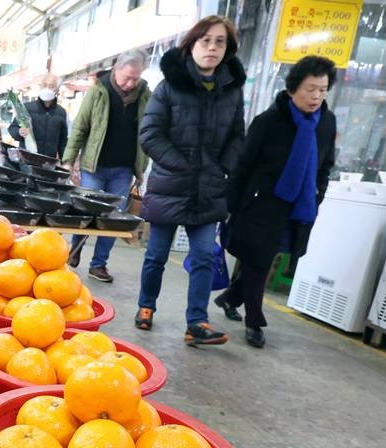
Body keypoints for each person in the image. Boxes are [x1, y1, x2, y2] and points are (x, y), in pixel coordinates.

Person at [135, 15, 246, 346]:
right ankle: (145, 306)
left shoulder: (231, 90)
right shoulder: (169, 86)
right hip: (171, 185)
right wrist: (181, 165)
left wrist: (222, 168)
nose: (212, 47)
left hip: (209, 189)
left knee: (204, 258)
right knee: (156, 256)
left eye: (220, 42)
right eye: (205, 40)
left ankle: (196, 322)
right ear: (191, 44)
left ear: (228, 49)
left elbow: (237, 136)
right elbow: (150, 134)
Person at [215, 55, 338, 348]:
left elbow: (326, 164)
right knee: (258, 260)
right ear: (293, 88)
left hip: (299, 206)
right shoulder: (268, 122)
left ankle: (230, 297)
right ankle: (254, 322)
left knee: (268, 258)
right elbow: (243, 165)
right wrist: (230, 205)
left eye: (322, 90)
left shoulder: (326, 122)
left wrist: (318, 194)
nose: (317, 96)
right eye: (311, 89)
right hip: (261, 205)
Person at [62, 50, 152, 283]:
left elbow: (148, 133)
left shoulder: (145, 95)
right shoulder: (99, 91)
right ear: (116, 70)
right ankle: (75, 250)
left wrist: (141, 169)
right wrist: (68, 160)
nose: (130, 83)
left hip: (123, 169)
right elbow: (81, 127)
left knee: (114, 218)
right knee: (86, 212)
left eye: (135, 78)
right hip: (94, 166)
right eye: (126, 78)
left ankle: (99, 264)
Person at [8, 89, 68, 159]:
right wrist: (19, 132)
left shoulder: (61, 112)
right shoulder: (27, 108)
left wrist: (65, 160)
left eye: (51, 86)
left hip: (48, 159)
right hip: (27, 156)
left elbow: (63, 140)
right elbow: (12, 128)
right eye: (45, 85)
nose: (48, 88)